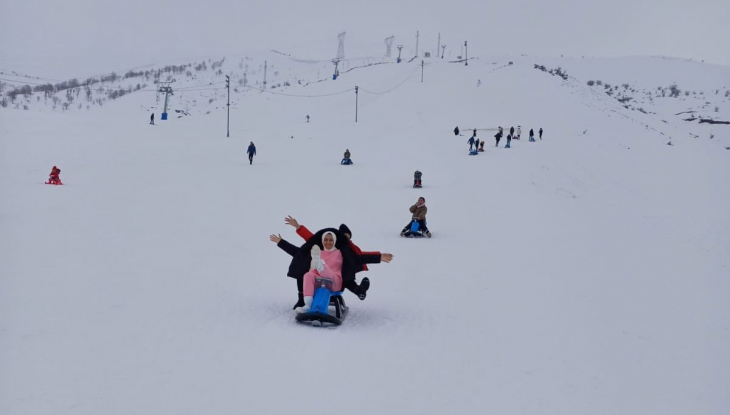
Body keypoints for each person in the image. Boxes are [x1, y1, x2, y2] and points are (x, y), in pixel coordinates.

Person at [282, 217, 393, 305]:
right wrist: (298, 227)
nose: (345, 238)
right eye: (343, 236)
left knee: (347, 279)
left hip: (337, 276)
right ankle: (304, 300)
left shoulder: (344, 250)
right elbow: (311, 238)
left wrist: (379, 257)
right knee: (305, 273)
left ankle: (359, 290)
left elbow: (361, 256)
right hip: (318, 278)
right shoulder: (321, 246)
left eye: (347, 236)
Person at [271, 227, 369, 309]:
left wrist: (380, 257)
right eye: (325, 240)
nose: (328, 242)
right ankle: (307, 303)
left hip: (334, 281)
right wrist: (282, 241)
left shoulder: (342, 253)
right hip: (318, 281)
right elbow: (298, 251)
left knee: (341, 277)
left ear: (335, 240)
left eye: (331, 240)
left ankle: (321, 266)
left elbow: (361, 257)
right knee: (307, 274)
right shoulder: (317, 250)